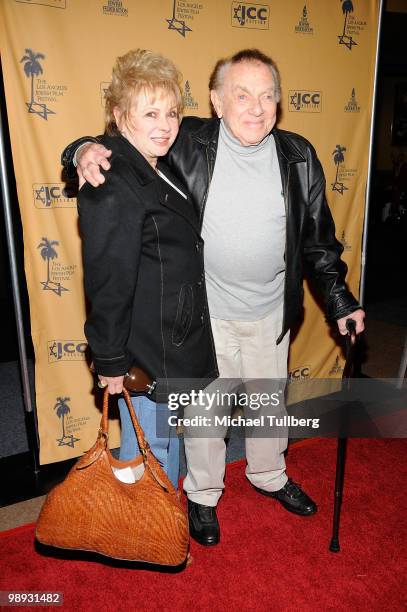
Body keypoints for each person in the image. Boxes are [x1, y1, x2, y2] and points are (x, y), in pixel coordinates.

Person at [63, 48, 365, 545]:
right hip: (205, 315)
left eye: (268, 96)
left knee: (270, 406)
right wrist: (80, 149)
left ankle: (269, 474)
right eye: (242, 95)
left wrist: (341, 300)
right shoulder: (187, 142)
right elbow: (125, 146)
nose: (257, 107)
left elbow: (318, 241)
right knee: (207, 416)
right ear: (216, 102)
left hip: (271, 311)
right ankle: (203, 494)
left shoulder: (299, 156)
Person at [76, 48, 217, 489]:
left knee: (163, 445)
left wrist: (77, 147)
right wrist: (111, 358)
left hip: (171, 339)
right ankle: (150, 541)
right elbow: (107, 279)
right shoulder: (112, 181)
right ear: (120, 117)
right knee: (151, 450)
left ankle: (160, 532)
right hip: (148, 350)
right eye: (150, 112)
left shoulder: (158, 164)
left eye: (172, 112)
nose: (166, 125)